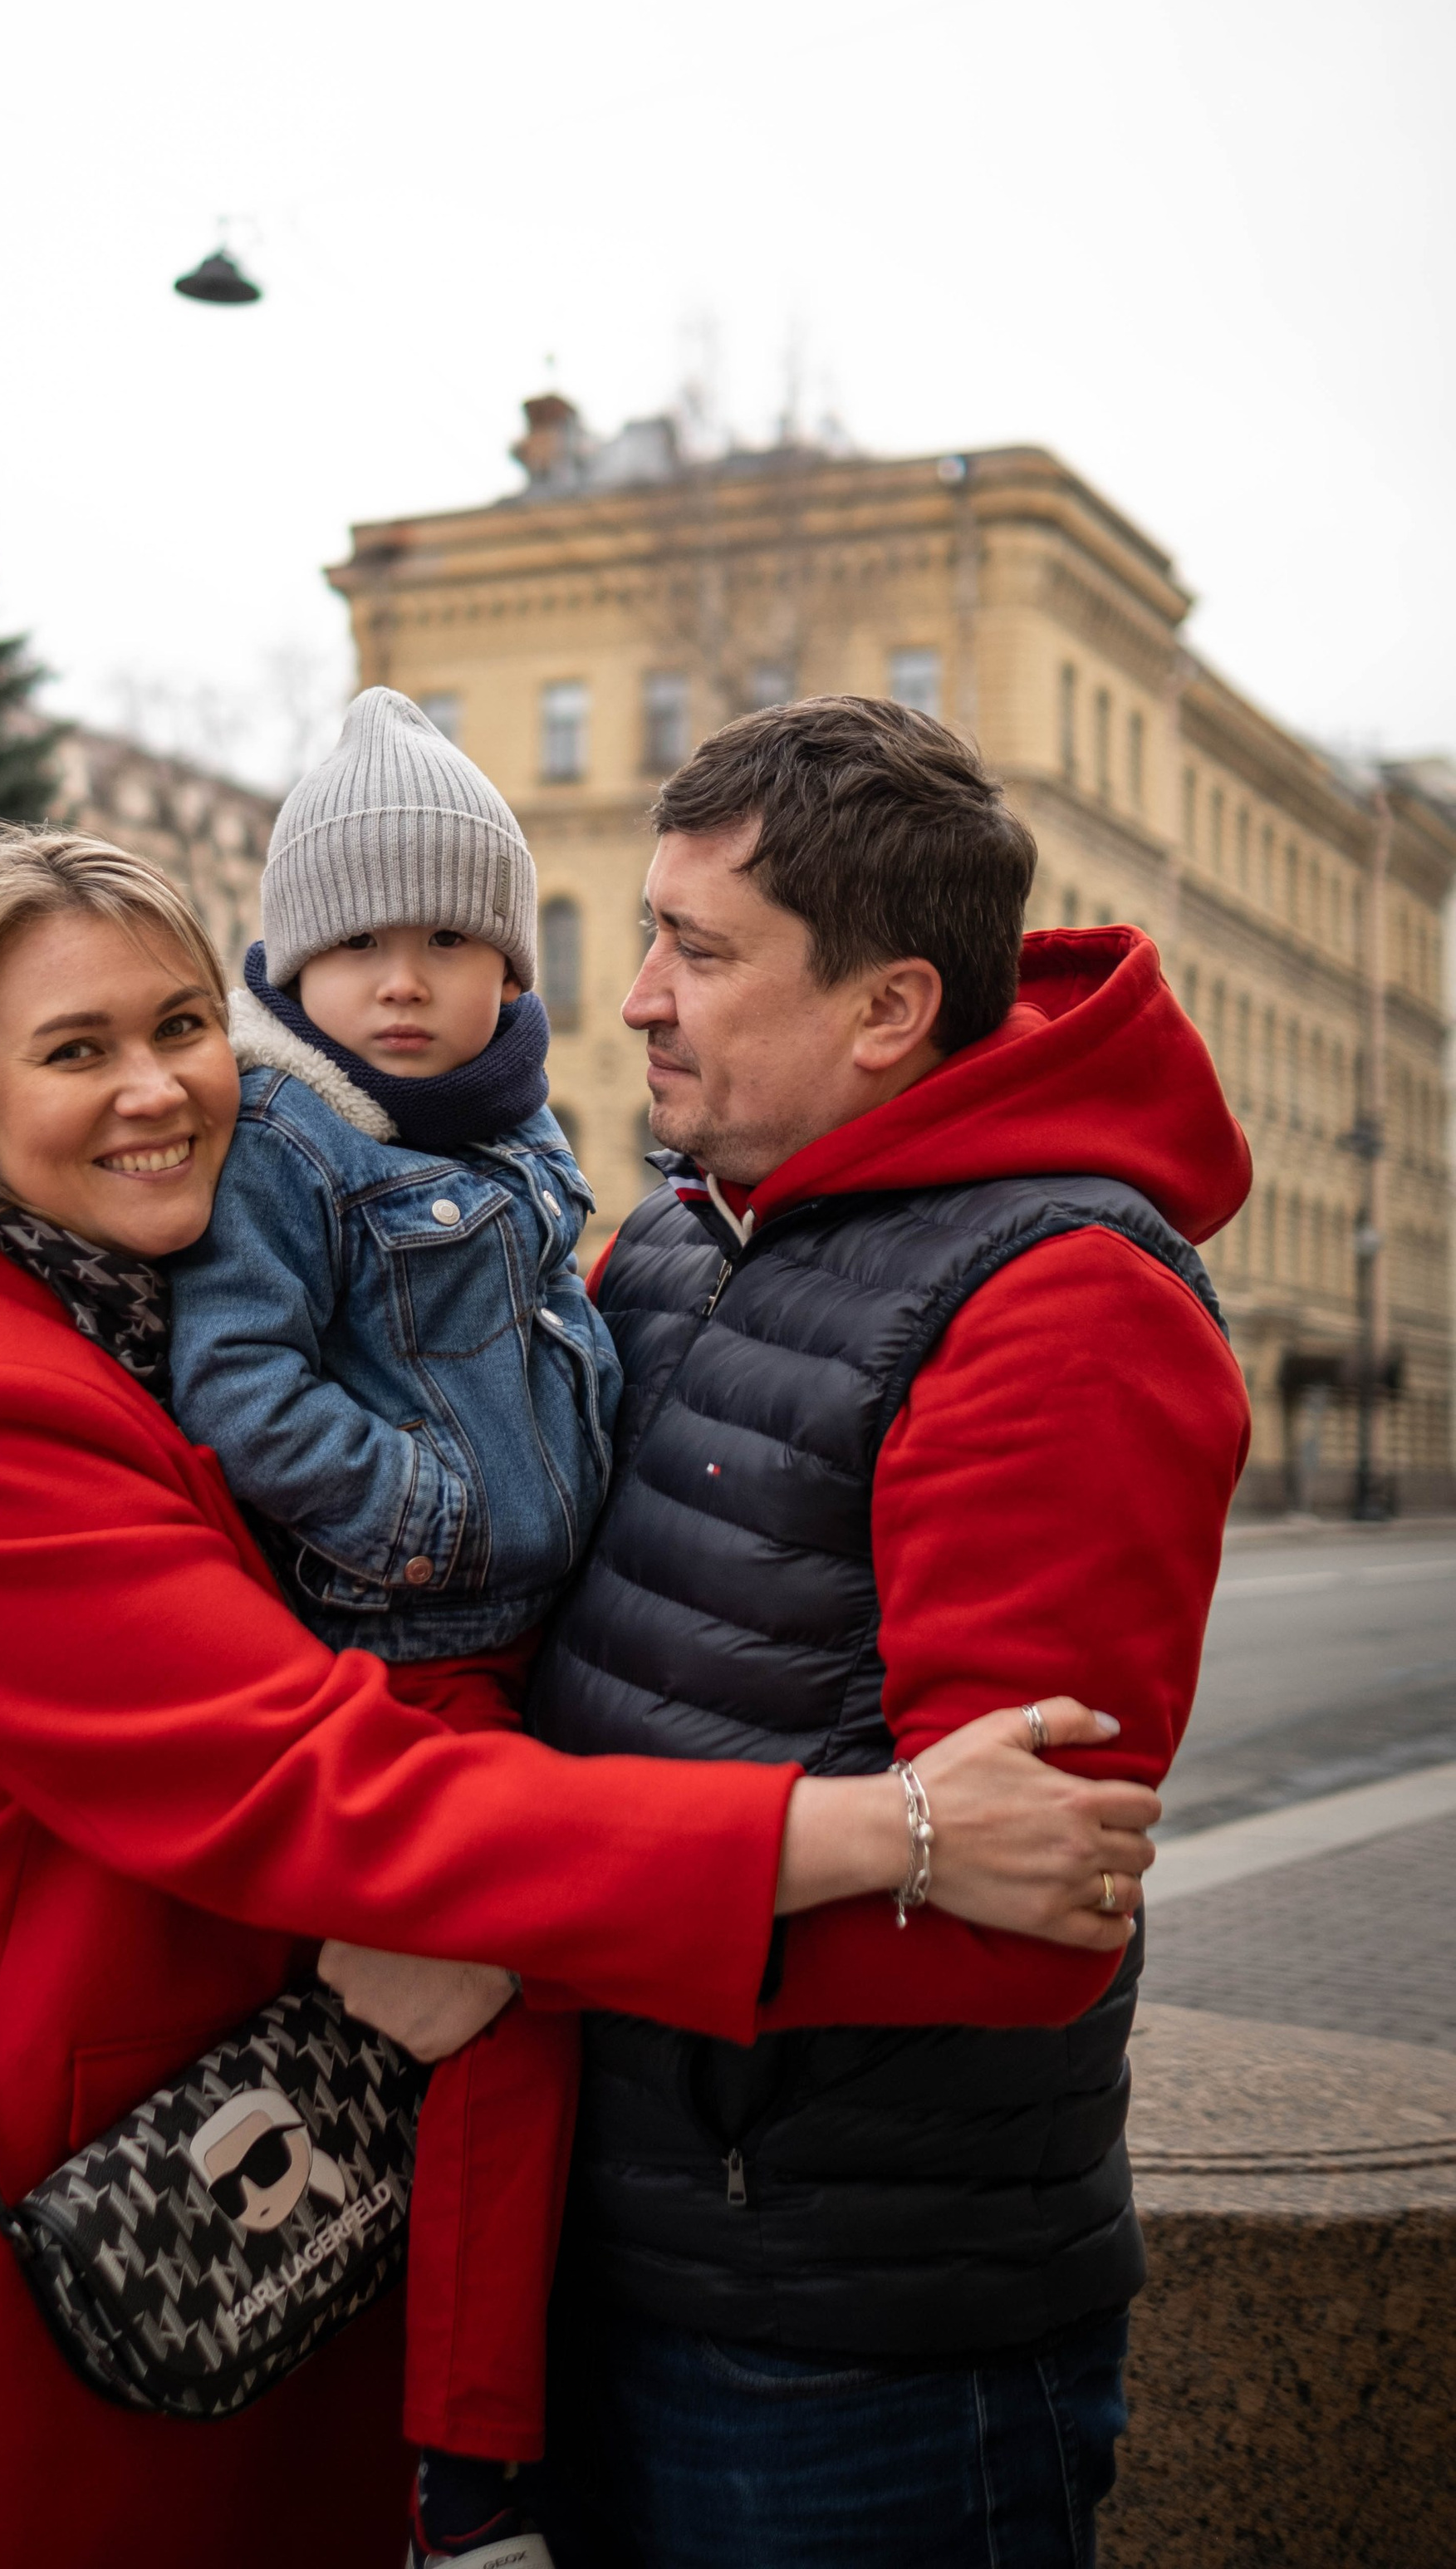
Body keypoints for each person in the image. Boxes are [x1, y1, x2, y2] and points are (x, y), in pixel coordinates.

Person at [0, 823, 1164, 2569]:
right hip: (30, 2224)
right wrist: (888, 1828)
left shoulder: (129, 1305)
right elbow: (323, 1785)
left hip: (225, 2173)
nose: (158, 1089)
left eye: (181, 1026)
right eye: (73, 1050)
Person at [527, 695, 1254, 2569]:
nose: (636, 1001)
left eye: (696, 952)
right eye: (645, 936)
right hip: (618, 2246)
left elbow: (1008, 1919)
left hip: (852, 2352)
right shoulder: (685, 1233)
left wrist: (522, 1912)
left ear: (885, 1008)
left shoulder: (1058, 1304)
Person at [169, 687, 615, 2569]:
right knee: (512, 2018)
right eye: (359, 942)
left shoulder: (526, 1136)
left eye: (449, 938)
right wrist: (433, 1513)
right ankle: (467, 2475)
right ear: (288, 954)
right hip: (401, 1654)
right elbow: (235, 1387)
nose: (406, 981)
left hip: (528, 1649)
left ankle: (457, 2422)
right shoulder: (288, 1141)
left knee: (522, 2023)